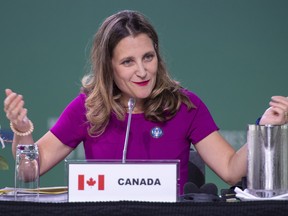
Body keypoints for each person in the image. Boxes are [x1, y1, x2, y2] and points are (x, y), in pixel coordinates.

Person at [3, 10, 288, 195]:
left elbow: (229, 169)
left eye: (148, 57)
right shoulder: (89, 107)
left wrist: (264, 128)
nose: (142, 71)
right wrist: (22, 131)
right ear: (109, 67)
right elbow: (30, 171)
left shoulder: (185, 105)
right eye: (128, 62)